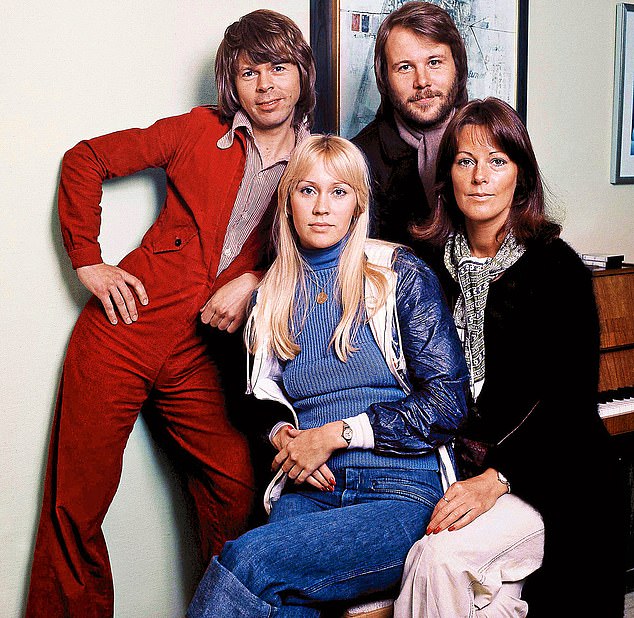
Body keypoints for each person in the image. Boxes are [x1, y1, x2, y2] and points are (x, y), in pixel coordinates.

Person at [25, 10, 316, 617]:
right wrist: (88, 261)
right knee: (76, 503)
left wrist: (257, 281)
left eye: (279, 68)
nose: (265, 85)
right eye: (249, 71)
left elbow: (331, 252)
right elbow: (86, 159)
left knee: (237, 488)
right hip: (123, 332)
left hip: (202, 354)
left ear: (303, 75)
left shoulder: (318, 163)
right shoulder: (195, 130)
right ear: (229, 82)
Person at [185, 134, 470, 617]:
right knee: (287, 607)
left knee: (247, 559)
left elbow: (448, 403)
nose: (322, 207)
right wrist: (285, 436)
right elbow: (253, 398)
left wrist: (336, 435)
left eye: (339, 192)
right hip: (309, 489)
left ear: (358, 206)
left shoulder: (399, 275)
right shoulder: (269, 296)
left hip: (399, 490)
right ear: (288, 201)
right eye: (307, 190)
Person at [394, 98, 625, 618]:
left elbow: (568, 404)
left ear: (520, 177)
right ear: (446, 175)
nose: (480, 177)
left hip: (554, 475)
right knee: (481, 602)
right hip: (457, 471)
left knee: (440, 561)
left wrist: (496, 479)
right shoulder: (427, 268)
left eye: (497, 161)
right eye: (465, 161)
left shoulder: (556, 268)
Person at [351, 1, 467, 259]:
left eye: (434, 62)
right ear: (384, 77)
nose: (422, 81)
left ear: (457, 65)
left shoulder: (492, 140)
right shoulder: (358, 159)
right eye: (405, 67)